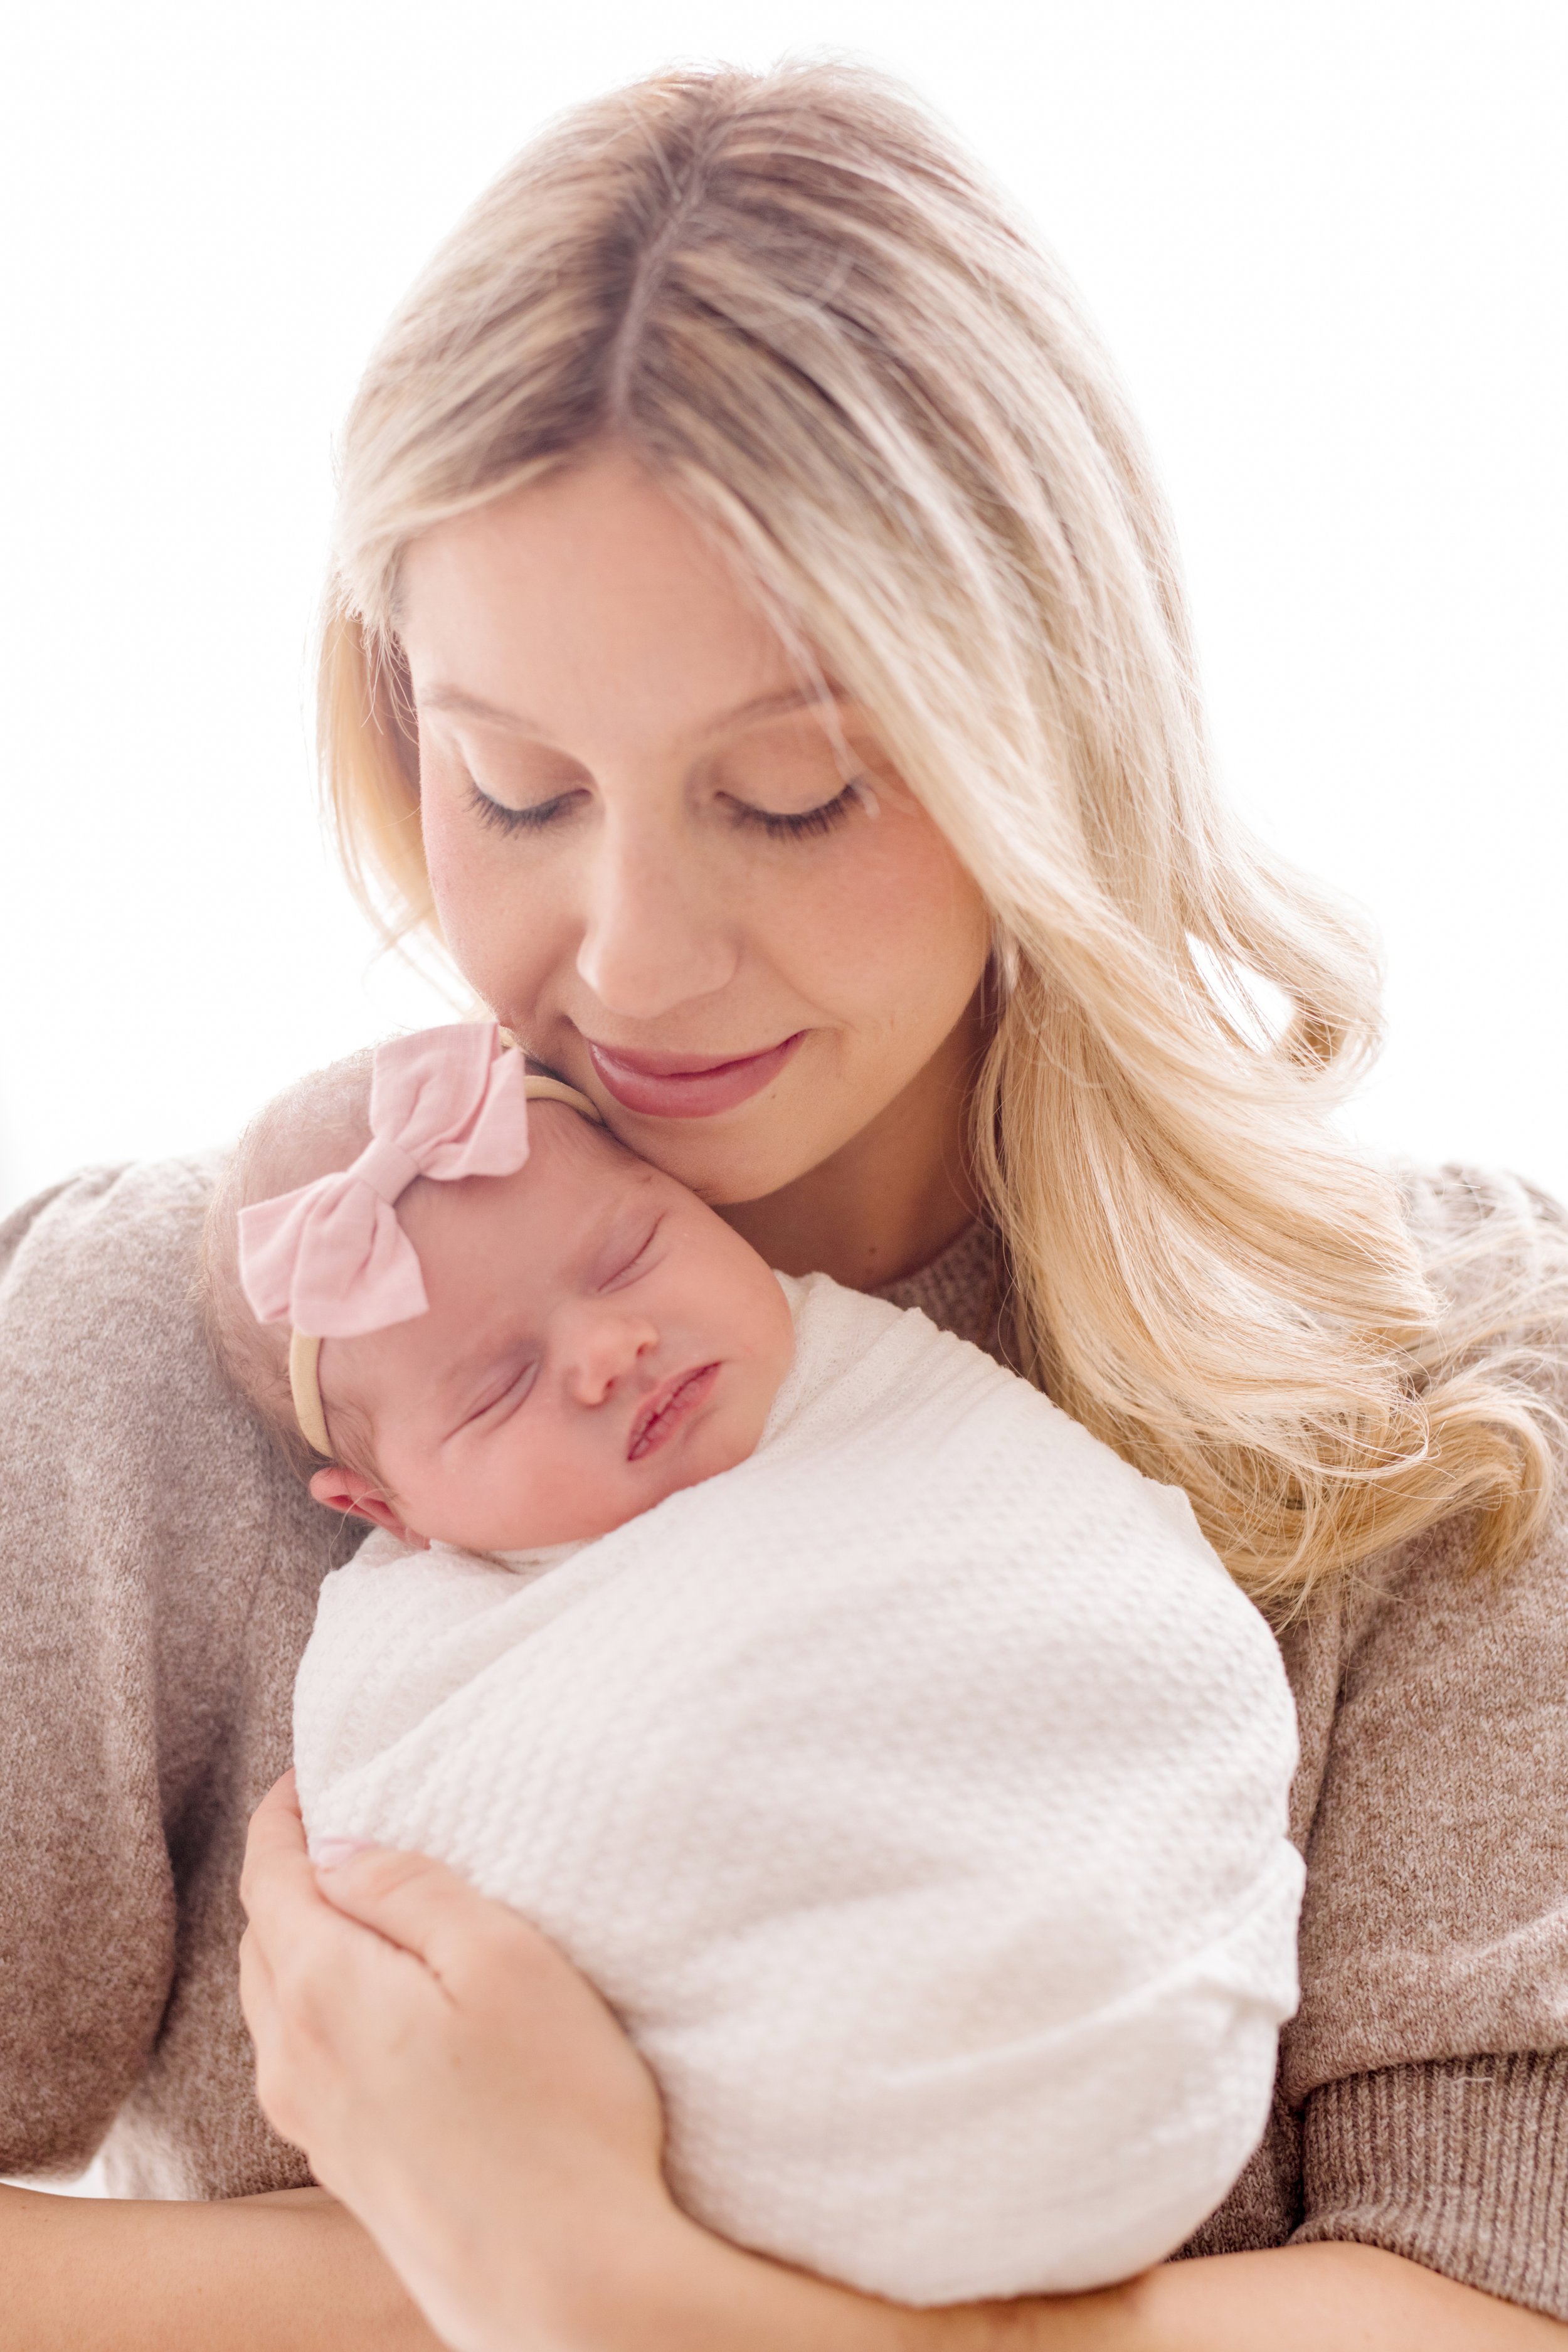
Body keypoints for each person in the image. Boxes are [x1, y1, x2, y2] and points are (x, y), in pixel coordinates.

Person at [2, 56, 1565, 2352]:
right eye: (517, 787)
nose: (628, 958)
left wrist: (580, 2273)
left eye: (799, 792)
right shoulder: (187, 1347)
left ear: (1050, 728)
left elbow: (1494, 2295)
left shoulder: (1430, 1399)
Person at [206, 1020, 1300, 2304]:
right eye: (498, 1390)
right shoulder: (445, 1659)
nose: (606, 1351)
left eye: (630, 1253)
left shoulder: (894, 1419)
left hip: (1102, 2028)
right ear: (386, 1511)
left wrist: (594, 2286)